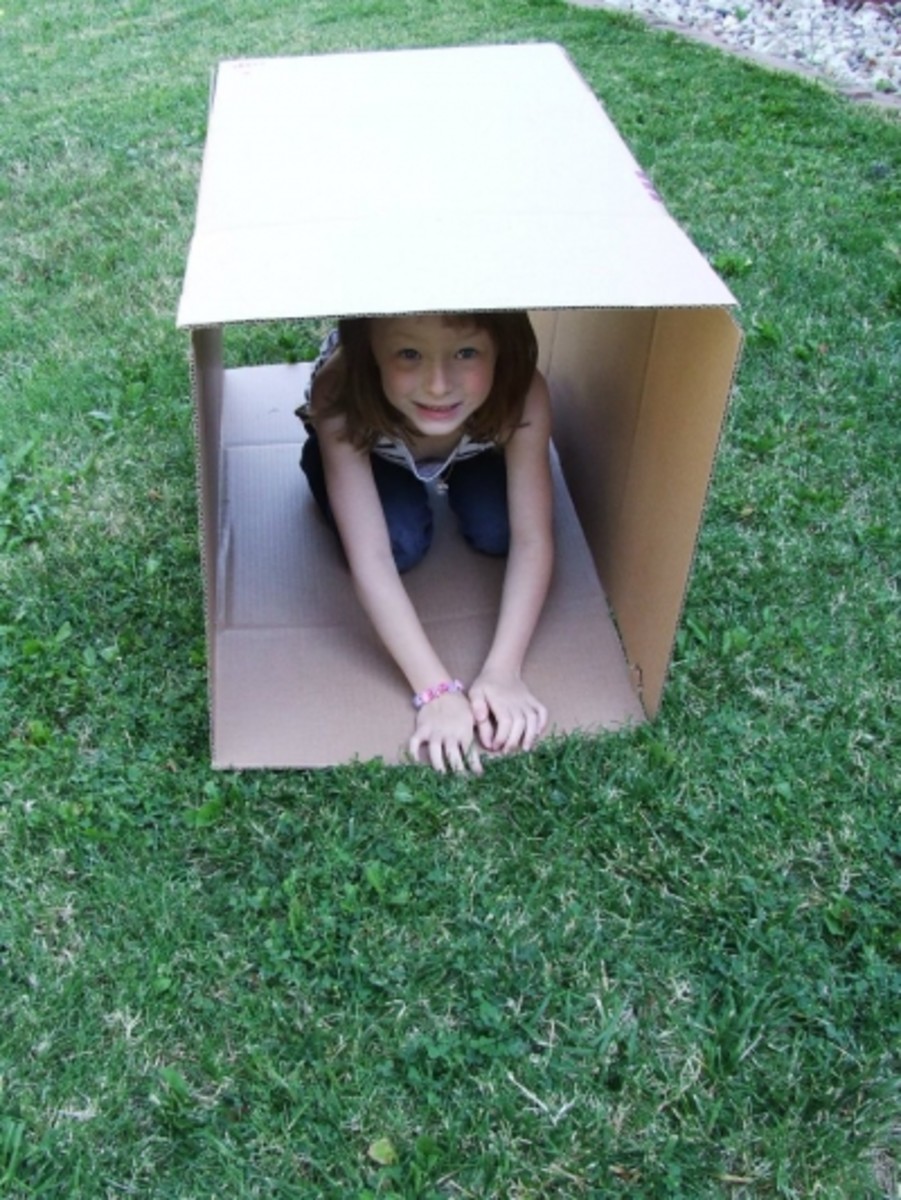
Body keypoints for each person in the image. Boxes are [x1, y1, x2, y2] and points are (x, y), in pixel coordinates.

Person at [297, 311, 554, 774]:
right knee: (400, 543)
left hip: (476, 439)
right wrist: (435, 690)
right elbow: (371, 558)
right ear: (369, 349)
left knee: (500, 530)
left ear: (503, 347)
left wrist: (503, 671)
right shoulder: (340, 390)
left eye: (466, 352)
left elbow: (533, 538)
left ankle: (451, 472)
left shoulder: (522, 391)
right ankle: (395, 477)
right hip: (372, 445)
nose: (438, 384)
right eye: (409, 354)